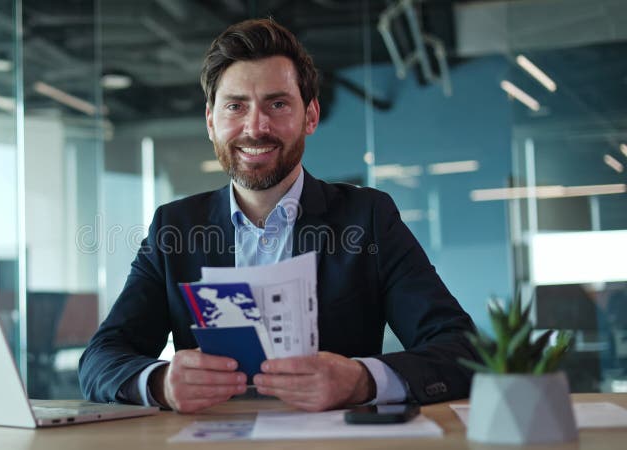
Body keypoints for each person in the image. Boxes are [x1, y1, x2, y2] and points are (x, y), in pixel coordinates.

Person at [79, 18, 479, 413]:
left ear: (310, 116)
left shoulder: (368, 217)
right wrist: (160, 383)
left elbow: (461, 349)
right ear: (210, 122)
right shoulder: (175, 227)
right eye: (236, 106)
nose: (256, 126)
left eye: (278, 103)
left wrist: (362, 380)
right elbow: (101, 359)